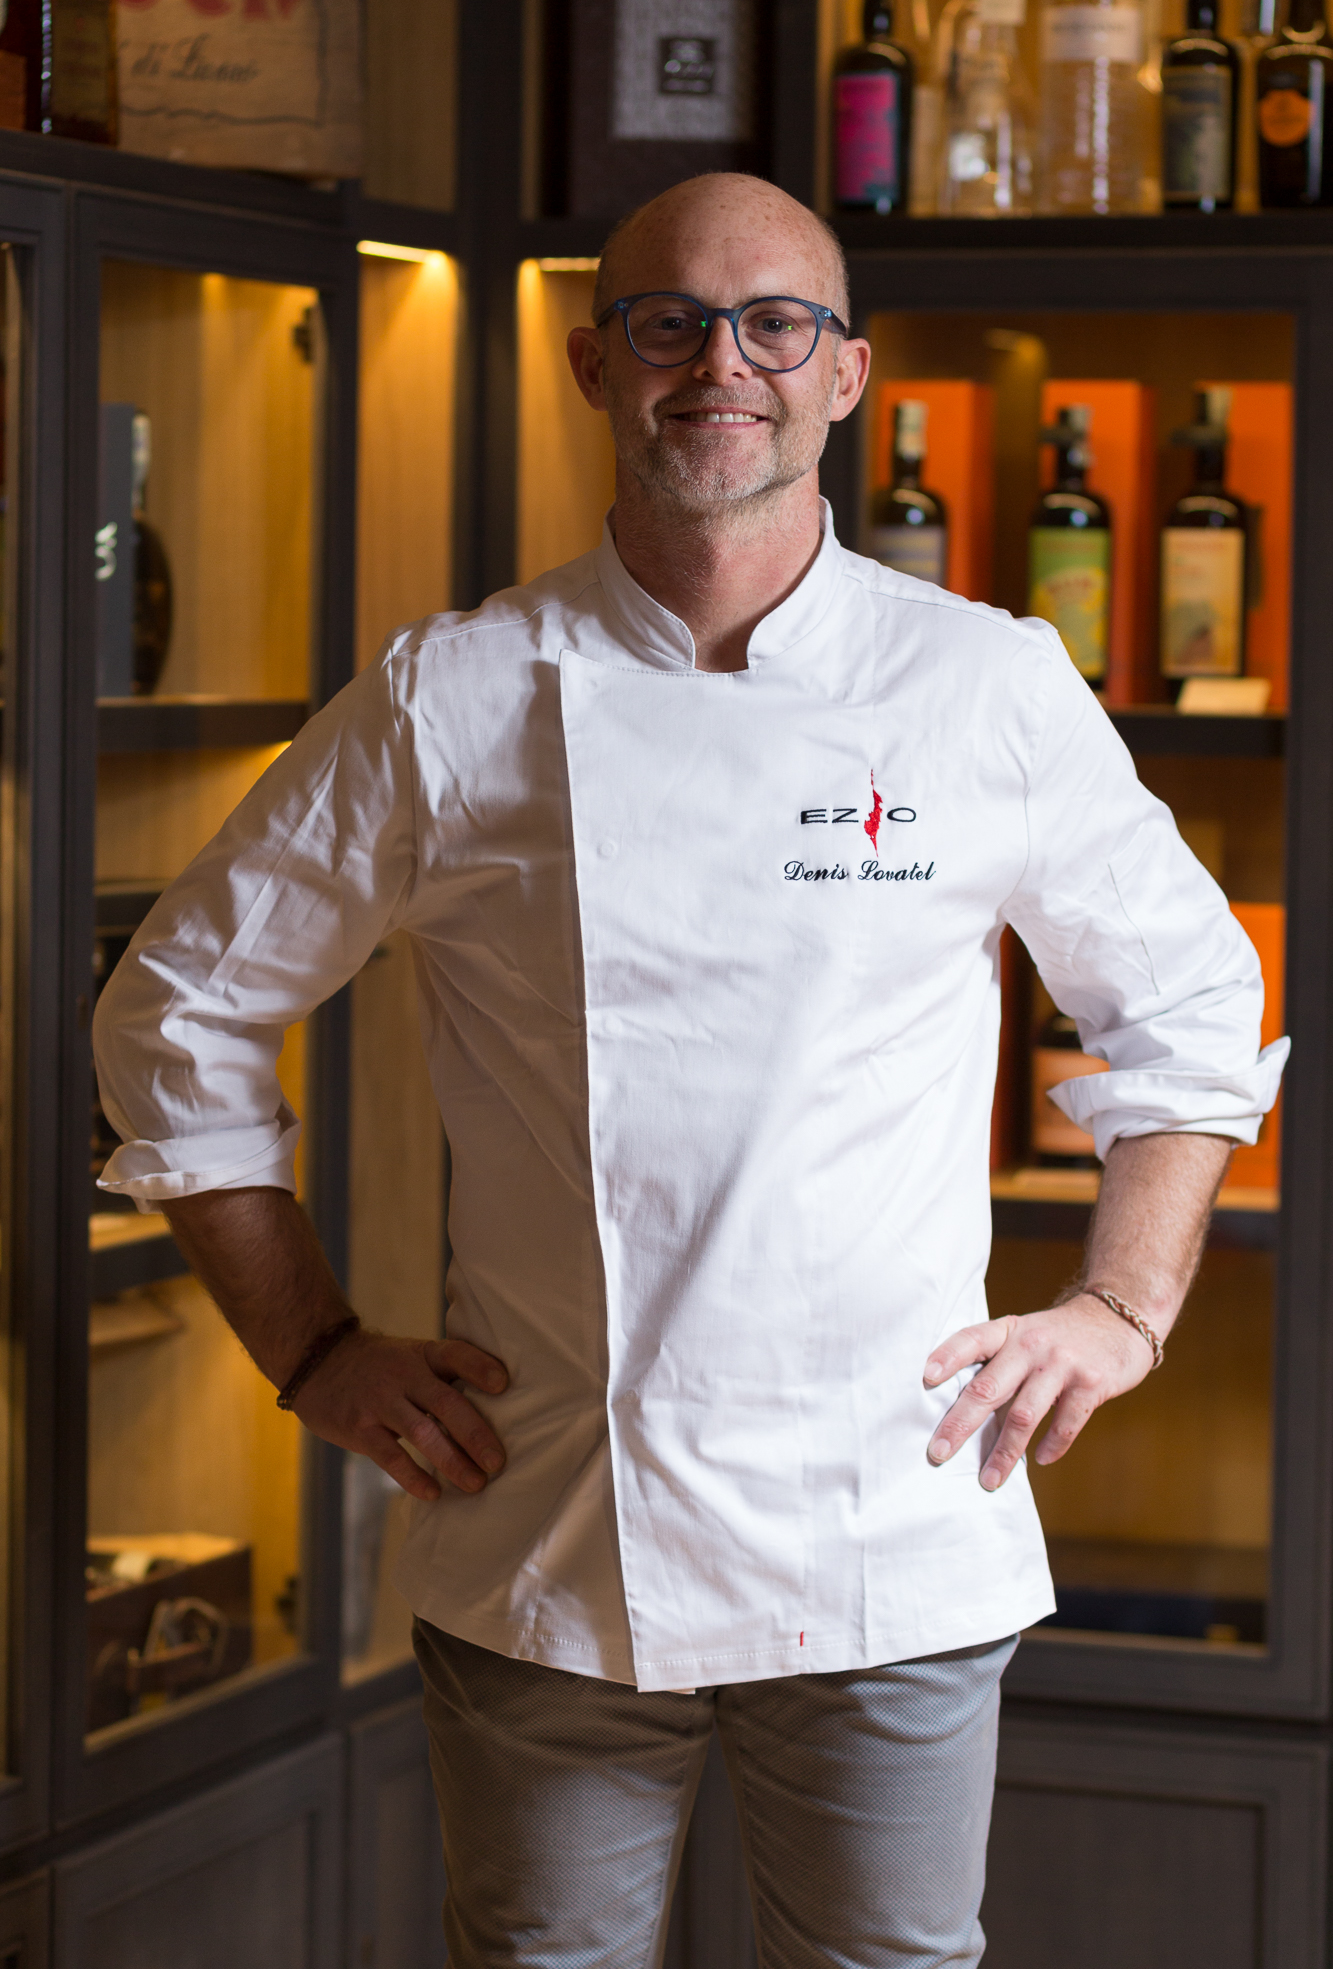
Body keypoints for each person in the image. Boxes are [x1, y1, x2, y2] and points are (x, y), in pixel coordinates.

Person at [93, 173, 1287, 1969]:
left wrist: (1121, 1311)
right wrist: (314, 1350)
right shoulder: (454, 695)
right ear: (595, 364)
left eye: (773, 324)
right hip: (549, 1522)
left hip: (889, 1509)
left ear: (844, 376)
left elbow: (1188, 1005)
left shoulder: (982, 684)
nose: (722, 364)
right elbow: (175, 1010)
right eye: (668, 322)